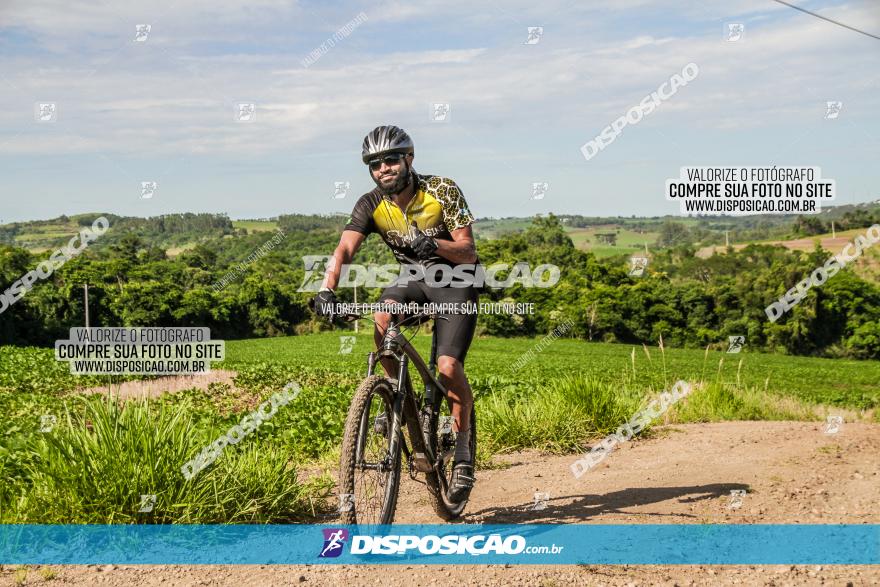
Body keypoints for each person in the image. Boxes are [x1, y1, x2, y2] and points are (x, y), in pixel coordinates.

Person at [312, 125, 479, 502]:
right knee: (382, 317)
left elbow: (468, 251)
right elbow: (344, 251)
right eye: (375, 163)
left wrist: (433, 242)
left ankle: (464, 451)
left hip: (458, 280)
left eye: (390, 159)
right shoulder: (370, 203)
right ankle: (397, 400)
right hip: (415, 280)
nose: (383, 168)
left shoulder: (442, 190)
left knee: (448, 367)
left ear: (409, 158)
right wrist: (327, 288)